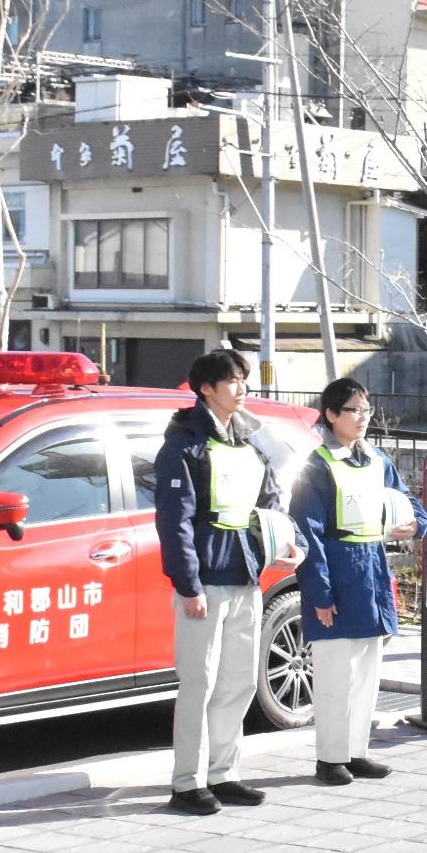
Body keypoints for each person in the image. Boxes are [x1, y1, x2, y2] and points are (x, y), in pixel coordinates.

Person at [156, 349, 303, 816]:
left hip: (245, 575)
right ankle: (187, 781)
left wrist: (288, 541)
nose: (241, 387)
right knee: (198, 681)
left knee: (238, 679)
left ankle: (225, 773)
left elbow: (271, 503)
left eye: (243, 379)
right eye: (232, 381)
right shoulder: (184, 444)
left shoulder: (250, 443)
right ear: (205, 389)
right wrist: (188, 585)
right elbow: (173, 521)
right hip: (206, 577)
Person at [291, 378, 425, 786]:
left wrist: (416, 525)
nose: (362, 417)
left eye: (366, 409)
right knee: (335, 672)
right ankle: (330, 758)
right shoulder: (316, 464)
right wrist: (320, 591)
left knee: (368, 667)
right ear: (331, 415)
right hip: (338, 564)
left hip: (373, 567)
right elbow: (307, 531)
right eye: (353, 410)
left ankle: (356, 751)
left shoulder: (375, 459)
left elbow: (410, 503)